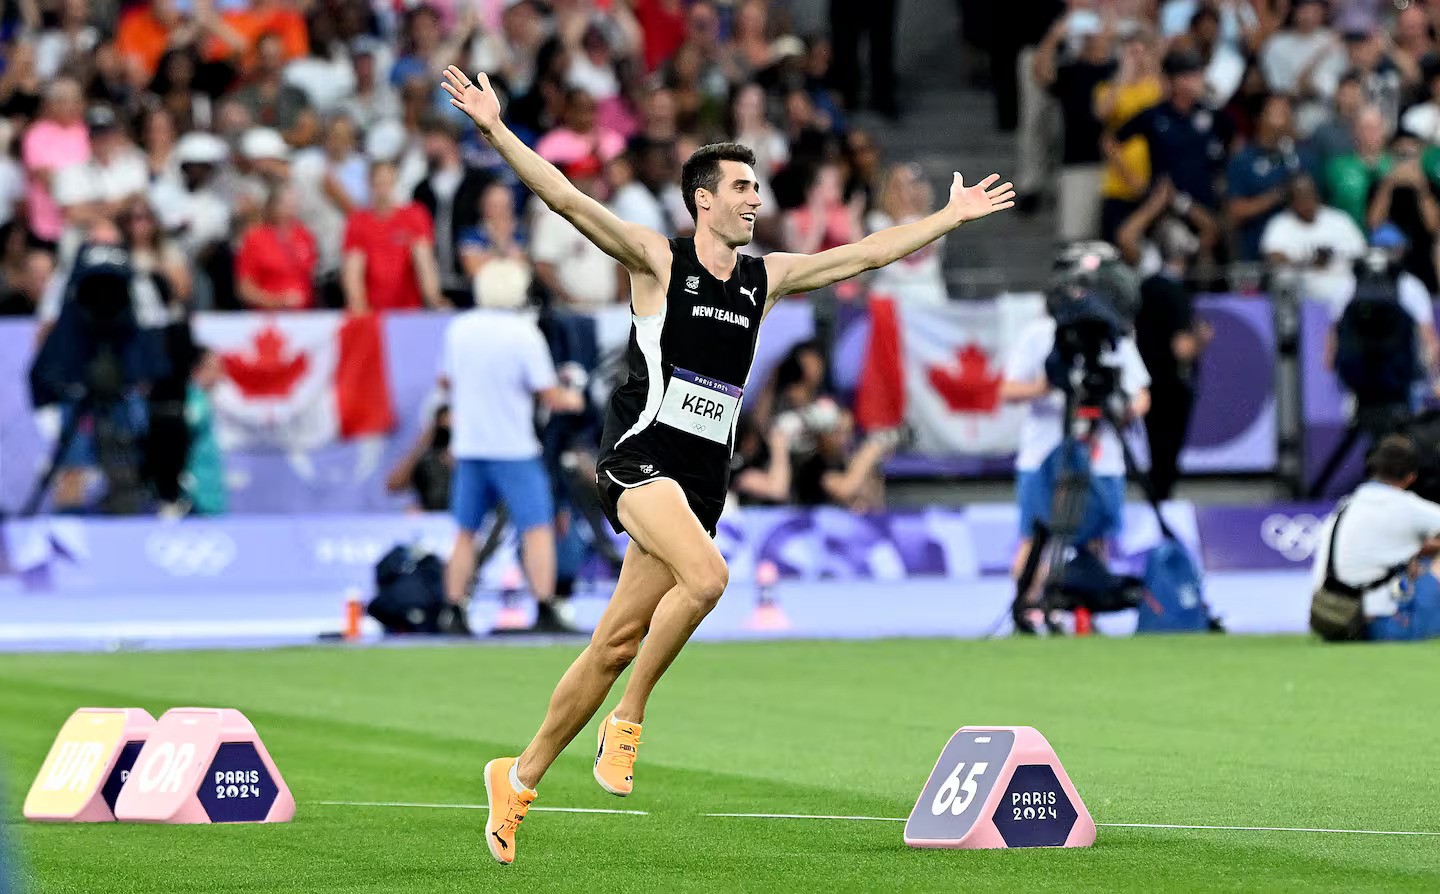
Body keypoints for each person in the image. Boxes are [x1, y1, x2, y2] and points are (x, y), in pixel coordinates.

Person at [440, 64, 1013, 865]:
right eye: (741, 186)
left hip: (701, 481)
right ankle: (627, 720)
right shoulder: (655, 260)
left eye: (757, 186)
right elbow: (566, 199)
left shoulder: (765, 278)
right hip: (640, 461)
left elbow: (869, 253)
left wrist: (948, 218)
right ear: (701, 198)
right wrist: (496, 130)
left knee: (611, 642)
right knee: (707, 580)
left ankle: (520, 776)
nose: (755, 197)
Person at [440, 256, 585, 636]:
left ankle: (454, 609)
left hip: (471, 446)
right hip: (514, 449)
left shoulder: (460, 329)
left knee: (464, 532)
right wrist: (573, 397)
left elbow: (446, 382)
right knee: (536, 529)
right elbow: (550, 394)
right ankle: (543, 605)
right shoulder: (523, 333)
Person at [1311, 435, 1440, 641]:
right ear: (1411, 477)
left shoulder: (1345, 505)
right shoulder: (1404, 506)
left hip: (1332, 619)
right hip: (1377, 625)